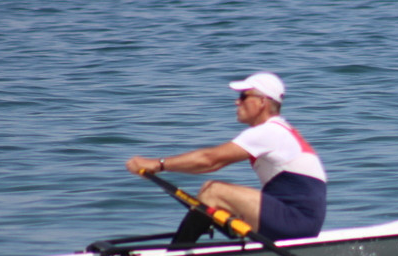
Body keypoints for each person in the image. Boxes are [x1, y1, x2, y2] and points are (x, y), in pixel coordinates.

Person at [125, 73, 327, 244]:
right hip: (295, 218)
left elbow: (209, 160)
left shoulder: (269, 131)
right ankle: (192, 249)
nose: (237, 101)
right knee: (207, 191)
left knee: (214, 192)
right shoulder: (279, 130)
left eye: (243, 96)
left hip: (297, 221)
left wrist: (158, 165)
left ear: (262, 102)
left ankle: (176, 253)